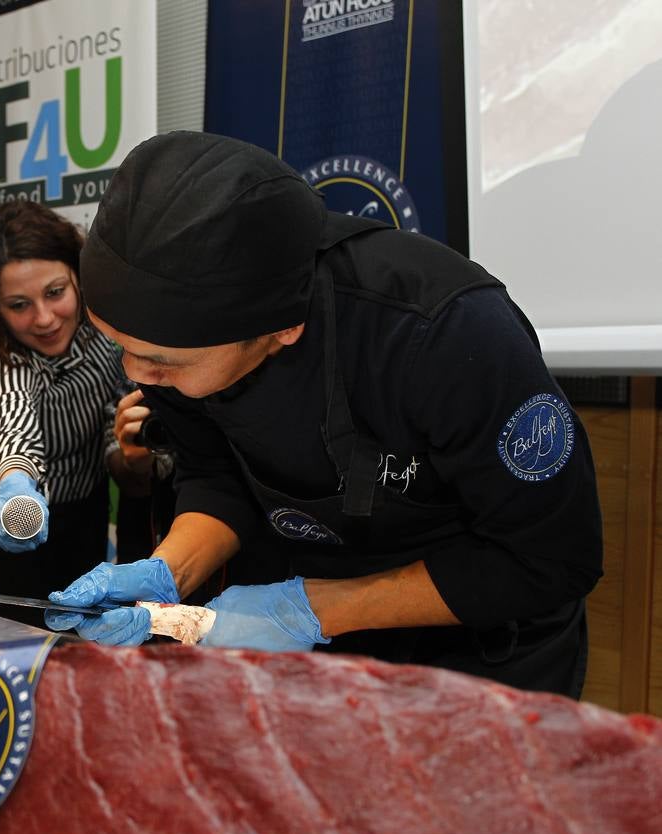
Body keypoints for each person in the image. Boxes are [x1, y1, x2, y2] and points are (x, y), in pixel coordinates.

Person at [45, 132, 602, 698]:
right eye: (118, 345)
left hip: (481, 650)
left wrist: (311, 607)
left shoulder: (448, 333)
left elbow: (549, 560)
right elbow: (216, 475)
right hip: (311, 641)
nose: (137, 375)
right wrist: (169, 573)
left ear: (283, 328)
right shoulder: (177, 345)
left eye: (161, 362)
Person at [0, 202, 151, 616]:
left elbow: (113, 414)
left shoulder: (101, 333)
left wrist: (128, 455)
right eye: (19, 305)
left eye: (55, 293)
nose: (44, 319)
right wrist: (16, 493)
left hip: (84, 514)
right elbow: (12, 425)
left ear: (79, 276)